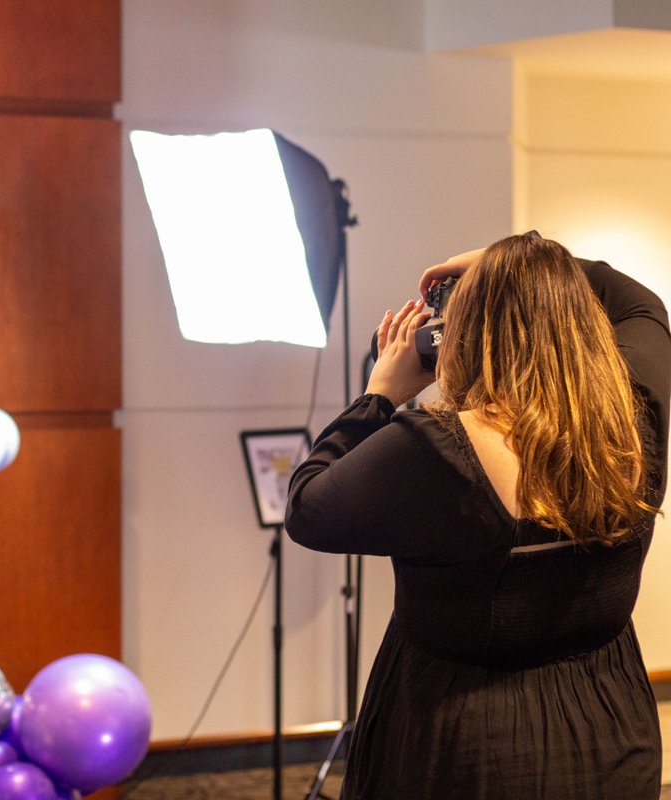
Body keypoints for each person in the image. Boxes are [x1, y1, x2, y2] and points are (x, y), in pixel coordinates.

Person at [285, 231, 670, 799]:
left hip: (459, 737)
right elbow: (642, 304)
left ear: (466, 339)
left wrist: (379, 397)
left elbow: (307, 508)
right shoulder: (637, 412)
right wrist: (530, 262)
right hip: (608, 725)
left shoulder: (432, 448)